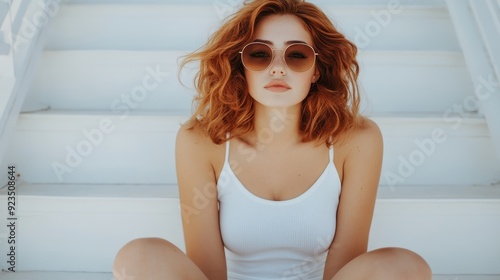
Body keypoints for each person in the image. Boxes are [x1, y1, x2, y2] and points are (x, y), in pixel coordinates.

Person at [113, 0, 432, 279]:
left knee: (406, 267)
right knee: (139, 257)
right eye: (260, 54)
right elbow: (208, 271)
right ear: (242, 66)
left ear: (317, 69)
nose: (278, 69)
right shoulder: (201, 140)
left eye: (296, 55)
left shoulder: (357, 139)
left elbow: (345, 263)